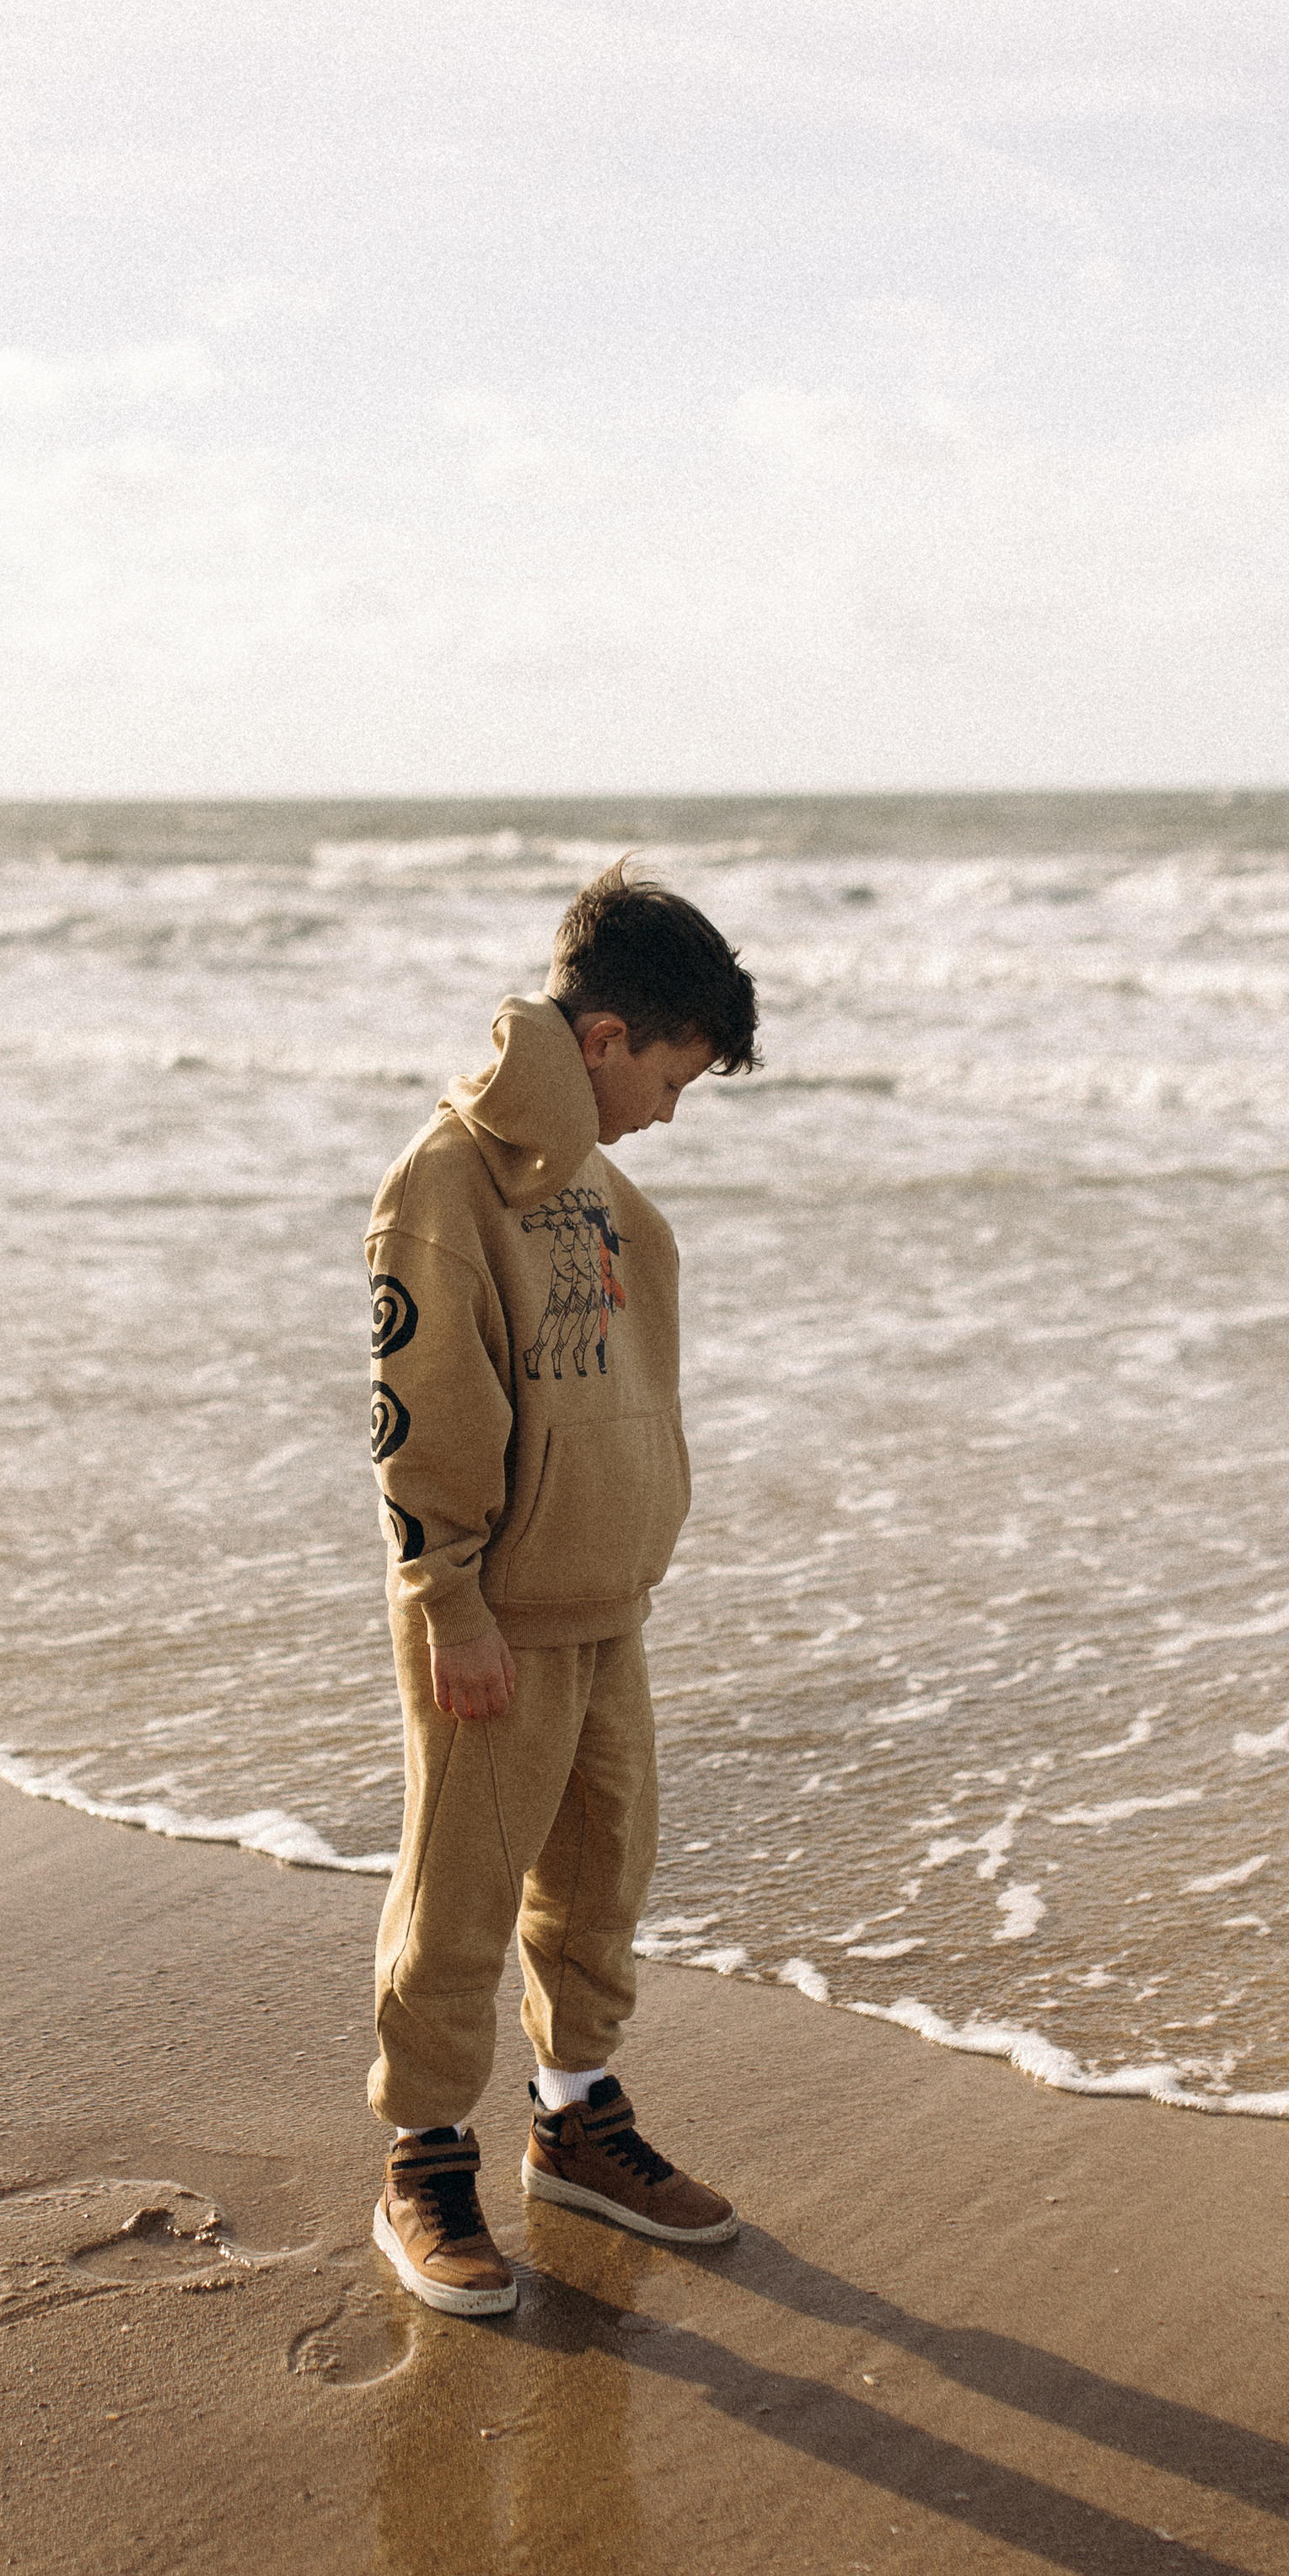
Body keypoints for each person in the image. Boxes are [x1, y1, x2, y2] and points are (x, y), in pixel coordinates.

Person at [363, 861, 758, 2315]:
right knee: (459, 1892)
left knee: (600, 1878)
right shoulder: (448, 1181)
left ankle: (577, 2118)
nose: (672, 1105)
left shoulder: (603, 1188)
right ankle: (424, 2160)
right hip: (496, 1619)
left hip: (605, 1604)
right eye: (673, 1073)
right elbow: (424, 1411)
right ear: (604, 1042)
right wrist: (449, 1603)